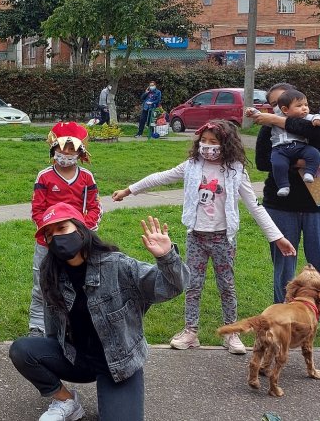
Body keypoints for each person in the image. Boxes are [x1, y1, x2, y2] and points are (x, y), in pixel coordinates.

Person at [112, 119, 296, 355]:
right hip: (196, 237)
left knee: (227, 286)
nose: (208, 147)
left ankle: (232, 333)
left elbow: (255, 206)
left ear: (226, 145)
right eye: (204, 142)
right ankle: (190, 331)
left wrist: (277, 237)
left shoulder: (235, 170)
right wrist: (129, 190)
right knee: (192, 285)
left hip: (223, 239)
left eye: (214, 142)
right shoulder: (191, 165)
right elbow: (161, 177)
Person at [9, 203, 187, 421]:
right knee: (22, 350)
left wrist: (166, 257)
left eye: (62, 228)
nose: (55, 238)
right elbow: (53, 329)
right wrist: (51, 360)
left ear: (80, 229)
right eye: (49, 234)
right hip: (76, 358)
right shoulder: (51, 274)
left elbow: (171, 287)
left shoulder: (117, 266)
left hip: (118, 365)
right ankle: (66, 401)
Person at [247, 82, 320, 346]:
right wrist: (301, 160)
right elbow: (263, 162)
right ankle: (281, 316)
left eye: (286, 102)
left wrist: (277, 123)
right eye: (275, 106)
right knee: (284, 266)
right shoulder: (269, 128)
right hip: (281, 205)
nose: (279, 110)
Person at [28, 122, 102, 338]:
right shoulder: (44, 177)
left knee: (80, 283)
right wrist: (50, 233)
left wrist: (82, 233)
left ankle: (75, 325)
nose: (66, 153)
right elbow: (37, 210)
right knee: (42, 283)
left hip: (78, 242)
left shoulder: (87, 178)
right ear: (53, 149)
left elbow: (94, 207)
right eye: (62, 148)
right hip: (48, 241)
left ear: (80, 152)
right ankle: (37, 326)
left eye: (72, 149)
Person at [249, 89, 320, 197]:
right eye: (275, 104)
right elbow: (262, 163)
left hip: (300, 148)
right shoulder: (271, 123)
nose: (304, 108)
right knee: (277, 162)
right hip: (280, 150)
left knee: (314, 153)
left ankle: (309, 173)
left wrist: (318, 119)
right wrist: (253, 112)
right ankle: (283, 185)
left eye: (306, 105)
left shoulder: (305, 118)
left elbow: (317, 120)